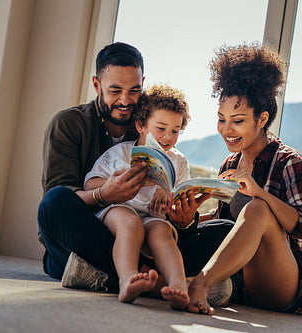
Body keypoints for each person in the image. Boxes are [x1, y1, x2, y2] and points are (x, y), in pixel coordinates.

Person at [37, 42, 233, 293]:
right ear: (97, 85)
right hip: (94, 233)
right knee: (54, 202)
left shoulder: (151, 122)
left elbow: (177, 211)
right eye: (115, 90)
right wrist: (104, 195)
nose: (125, 100)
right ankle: (158, 281)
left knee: (225, 232)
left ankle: (103, 275)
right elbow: (61, 197)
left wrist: (184, 221)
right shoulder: (69, 124)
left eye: (134, 90)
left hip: (153, 235)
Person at [185, 43, 302, 316]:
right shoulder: (231, 163)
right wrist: (189, 217)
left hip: (283, 287)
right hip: (241, 280)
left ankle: (200, 285)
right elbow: (228, 224)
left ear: (261, 119)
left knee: (258, 209)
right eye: (221, 119)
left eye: (237, 121)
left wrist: (260, 194)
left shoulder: (291, 163)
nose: (226, 130)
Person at [84, 83, 195, 308]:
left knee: (162, 232)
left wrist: (169, 192)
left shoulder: (179, 160)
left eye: (175, 131)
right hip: (120, 209)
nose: (168, 137)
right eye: (161, 128)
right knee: (130, 222)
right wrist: (116, 182)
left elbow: (182, 197)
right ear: (141, 125)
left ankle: (178, 285)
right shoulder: (121, 153)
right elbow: (90, 183)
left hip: (154, 216)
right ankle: (127, 279)